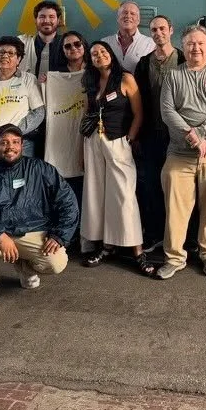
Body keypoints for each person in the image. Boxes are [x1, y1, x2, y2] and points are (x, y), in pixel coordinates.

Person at [0, 124, 80, 319]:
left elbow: (68, 202)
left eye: (15, 142)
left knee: (56, 262)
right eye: (4, 143)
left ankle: (25, 267)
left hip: (32, 231)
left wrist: (59, 235)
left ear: (22, 145)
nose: (10, 147)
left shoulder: (40, 169)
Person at [156, 25, 206, 280]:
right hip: (180, 153)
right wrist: (191, 136)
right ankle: (174, 258)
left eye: (201, 43)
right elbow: (167, 111)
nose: (196, 48)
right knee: (175, 209)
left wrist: (201, 132)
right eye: (191, 43)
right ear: (183, 47)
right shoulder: (173, 76)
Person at [79, 41, 154, 275]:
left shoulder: (125, 78)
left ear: (110, 54)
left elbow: (139, 113)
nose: (99, 56)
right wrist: (81, 148)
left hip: (118, 141)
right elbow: (86, 113)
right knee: (97, 194)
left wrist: (130, 138)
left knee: (124, 195)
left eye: (103, 51)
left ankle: (138, 251)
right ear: (90, 60)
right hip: (93, 141)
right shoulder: (90, 82)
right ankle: (106, 246)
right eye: (94, 54)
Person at [133, 15, 185, 251]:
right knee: (152, 186)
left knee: (179, 188)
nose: (158, 33)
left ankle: (182, 237)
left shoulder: (183, 59)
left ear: (171, 30)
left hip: (178, 136)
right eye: (154, 30)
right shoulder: (144, 64)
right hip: (150, 134)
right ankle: (154, 234)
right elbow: (136, 102)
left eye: (163, 28)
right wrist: (136, 134)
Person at [44, 31, 88, 210]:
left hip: (88, 134)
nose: (73, 48)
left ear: (84, 45)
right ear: (62, 50)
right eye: (67, 46)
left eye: (77, 44)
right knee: (63, 189)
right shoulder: (55, 76)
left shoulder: (93, 71)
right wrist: (44, 83)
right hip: (60, 137)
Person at [18, 0, 67, 82]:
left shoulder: (69, 45)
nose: (46, 21)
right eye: (42, 17)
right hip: (28, 88)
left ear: (58, 20)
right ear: (35, 20)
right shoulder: (22, 43)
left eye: (51, 17)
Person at [101, 0, 155, 73]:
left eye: (132, 13)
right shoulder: (104, 43)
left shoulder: (151, 44)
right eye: (124, 12)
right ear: (118, 18)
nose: (128, 16)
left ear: (138, 20)